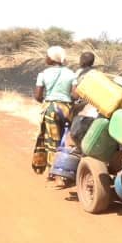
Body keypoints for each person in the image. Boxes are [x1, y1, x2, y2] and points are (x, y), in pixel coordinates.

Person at [32, 46, 77, 178]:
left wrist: (47, 102)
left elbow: (38, 96)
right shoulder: (71, 73)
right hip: (67, 110)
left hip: (51, 109)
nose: (46, 58)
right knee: (65, 138)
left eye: (47, 56)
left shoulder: (43, 74)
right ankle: (67, 167)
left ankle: (54, 171)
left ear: (51, 58)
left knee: (51, 140)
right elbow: (75, 95)